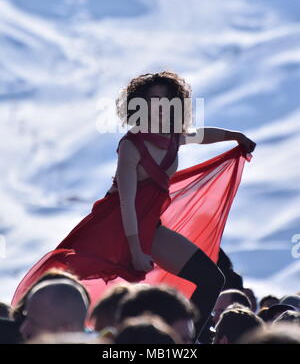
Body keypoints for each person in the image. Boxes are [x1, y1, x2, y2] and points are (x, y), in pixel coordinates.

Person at [10, 70, 256, 343]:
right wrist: (136, 250)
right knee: (66, 285)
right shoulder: (131, 144)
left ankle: (183, 344)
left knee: (211, 279)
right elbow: (126, 202)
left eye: (166, 101)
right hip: (116, 228)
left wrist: (236, 136)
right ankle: (22, 331)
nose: (159, 108)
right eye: (152, 101)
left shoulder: (172, 136)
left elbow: (199, 135)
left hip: (150, 228)